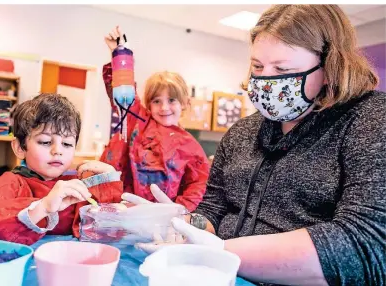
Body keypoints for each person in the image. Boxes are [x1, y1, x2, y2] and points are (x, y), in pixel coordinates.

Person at [130, 5, 385, 286]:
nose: (265, 80)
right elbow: (213, 211)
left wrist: (220, 252)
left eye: (283, 69)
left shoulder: (369, 121)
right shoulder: (242, 132)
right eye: (258, 66)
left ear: (330, 67)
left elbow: (363, 246)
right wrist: (184, 225)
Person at [0, 93, 123, 245]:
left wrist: (107, 181)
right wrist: (43, 207)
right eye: (46, 142)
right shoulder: (8, 185)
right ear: (20, 147)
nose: (58, 150)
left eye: (67, 144)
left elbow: (109, 231)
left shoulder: (76, 187)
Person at [92, 26, 210, 212]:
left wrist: (178, 211)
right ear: (149, 103)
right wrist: (120, 54)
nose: (164, 108)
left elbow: (198, 185)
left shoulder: (192, 148)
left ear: (185, 103)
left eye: (171, 100)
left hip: (160, 219)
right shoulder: (137, 120)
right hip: (119, 209)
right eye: (157, 101)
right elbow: (124, 91)